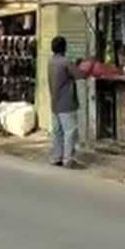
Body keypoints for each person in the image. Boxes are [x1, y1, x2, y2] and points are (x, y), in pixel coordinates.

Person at [48, 36, 90, 168]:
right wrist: (89, 67)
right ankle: (68, 159)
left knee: (57, 131)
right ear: (64, 47)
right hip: (66, 102)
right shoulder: (65, 62)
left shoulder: (51, 61)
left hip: (54, 102)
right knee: (70, 131)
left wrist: (75, 64)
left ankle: (57, 157)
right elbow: (79, 75)